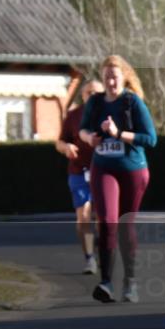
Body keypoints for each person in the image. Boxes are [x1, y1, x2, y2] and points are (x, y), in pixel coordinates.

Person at [79, 55, 157, 304]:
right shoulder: (95, 102)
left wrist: (118, 134)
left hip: (133, 169)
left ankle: (130, 283)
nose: (111, 81)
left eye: (115, 76)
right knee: (108, 222)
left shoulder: (132, 102)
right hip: (103, 167)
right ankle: (106, 283)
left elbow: (151, 139)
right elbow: (82, 128)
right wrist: (89, 138)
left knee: (124, 225)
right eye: (106, 77)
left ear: (124, 77)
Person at [55, 79, 104, 275]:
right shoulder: (74, 116)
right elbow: (59, 141)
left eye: (96, 93)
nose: (92, 96)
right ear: (82, 96)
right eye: (88, 93)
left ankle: (104, 251)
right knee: (83, 216)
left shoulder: (111, 114)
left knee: (103, 217)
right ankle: (89, 258)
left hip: (105, 171)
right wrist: (66, 148)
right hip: (79, 171)